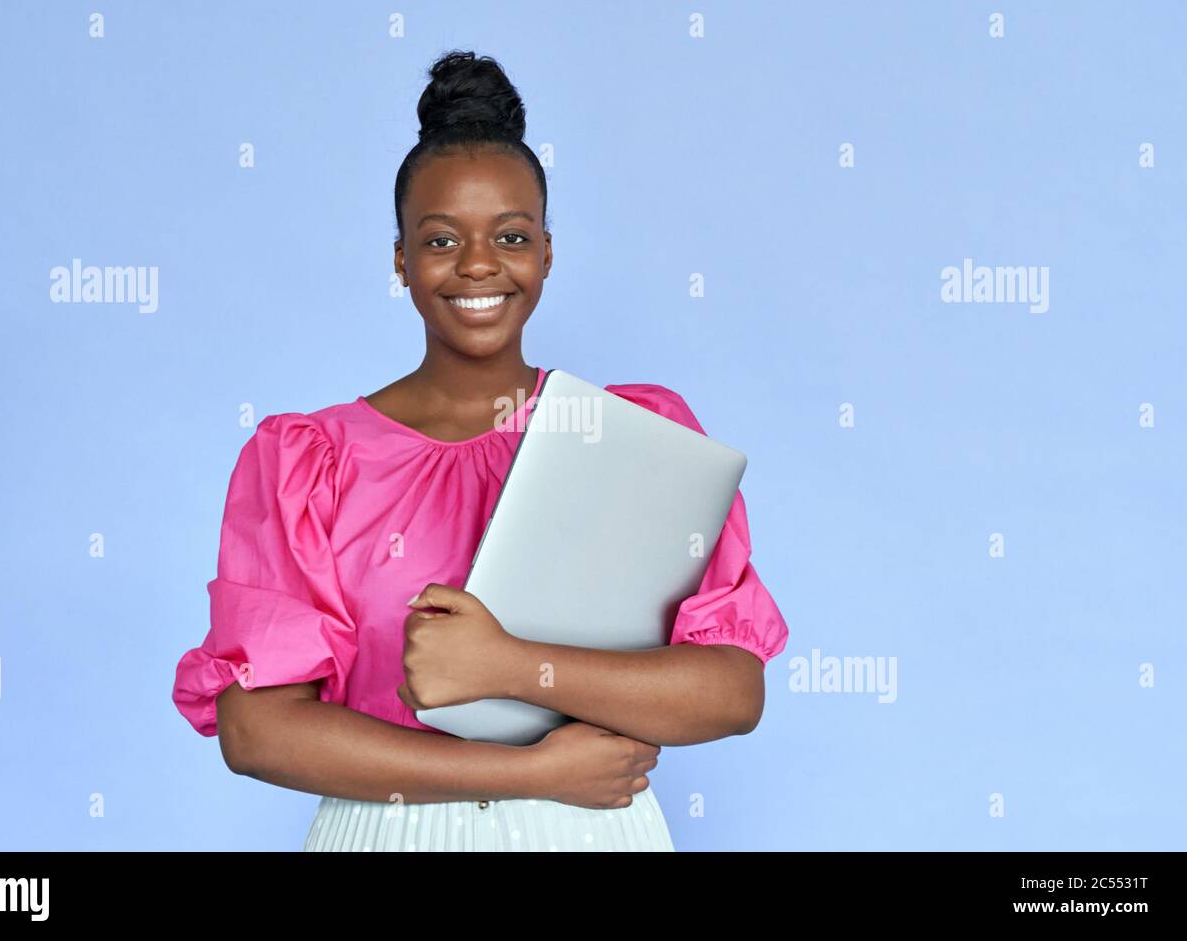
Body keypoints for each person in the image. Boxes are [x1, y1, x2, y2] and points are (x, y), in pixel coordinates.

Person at [172, 49, 789, 851]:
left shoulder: (638, 437)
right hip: (395, 833)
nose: (477, 266)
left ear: (547, 252)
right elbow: (256, 733)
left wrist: (506, 663)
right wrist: (527, 774)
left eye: (510, 235)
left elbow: (730, 693)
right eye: (439, 240)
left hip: (591, 833)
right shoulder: (307, 460)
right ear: (400, 259)